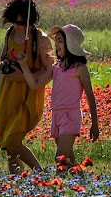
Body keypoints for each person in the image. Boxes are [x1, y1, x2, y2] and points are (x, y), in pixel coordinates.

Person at [15, 23, 99, 171]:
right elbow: (35, 85)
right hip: (57, 115)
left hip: (70, 115)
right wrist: (24, 66)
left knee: (60, 158)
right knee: (69, 161)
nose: (57, 45)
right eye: (56, 41)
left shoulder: (80, 69)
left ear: (70, 44)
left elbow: (90, 98)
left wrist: (95, 124)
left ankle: (58, 188)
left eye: (60, 41)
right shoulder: (56, 68)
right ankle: (82, 183)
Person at [0, 0, 55, 175]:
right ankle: (16, 179)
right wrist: (3, 63)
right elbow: (3, 55)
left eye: (21, 22)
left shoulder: (41, 40)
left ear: (31, 21)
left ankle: (40, 172)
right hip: (8, 92)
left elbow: (51, 71)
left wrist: (24, 75)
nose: (17, 26)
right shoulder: (10, 34)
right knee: (6, 140)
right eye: (14, 21)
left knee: (13, 140)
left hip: (29, 93)